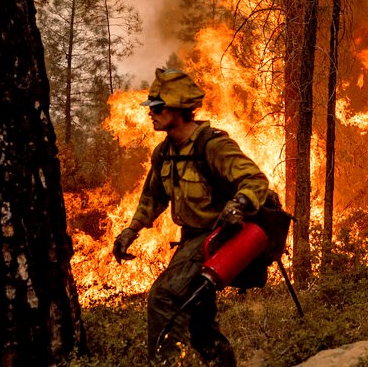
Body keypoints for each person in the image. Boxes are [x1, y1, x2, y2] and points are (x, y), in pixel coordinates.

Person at [112, 68, 269, 367]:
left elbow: (255, 180)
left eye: (158, 107)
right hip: (190, 240)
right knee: (198, 317)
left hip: (219, 237)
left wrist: (238, 204)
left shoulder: (213, 145)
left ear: (179, 108)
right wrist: (131, 230)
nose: (151, 113)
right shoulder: (163, 153)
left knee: (164, 297)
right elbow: (153, 197)